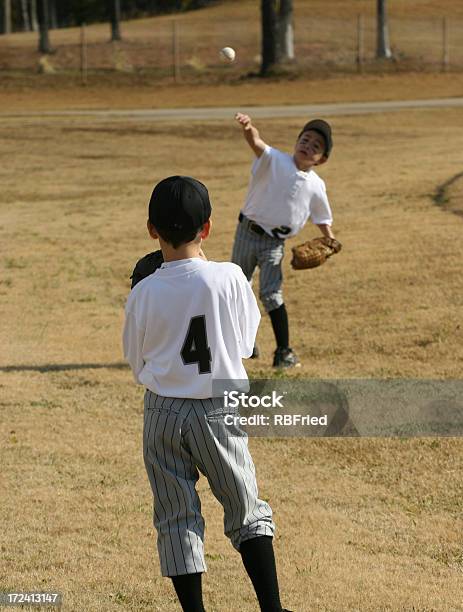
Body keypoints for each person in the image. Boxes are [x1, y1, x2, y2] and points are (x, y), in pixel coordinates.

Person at [123, 176, 292, 612]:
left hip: (161, 413)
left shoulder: (142, 291)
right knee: (245, 508)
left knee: (176, 516)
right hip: (216, 407)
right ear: (209, 228)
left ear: (151, 229)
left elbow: (135, 360)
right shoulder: (230, 277)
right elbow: (245, 344)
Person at [232, 113, 337, 368]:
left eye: (315, 146)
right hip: (247, 233)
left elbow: (321, 216)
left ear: (321, 159)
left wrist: (330, 239)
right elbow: (256, 143)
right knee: (237, 289)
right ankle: (244, 344)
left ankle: (283, 352)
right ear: (297, 141)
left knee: (271, 294)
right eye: (305, 139)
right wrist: (248, 128)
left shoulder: (315, 185)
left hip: (274, 244)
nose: (307, 146)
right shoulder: (275, 159)